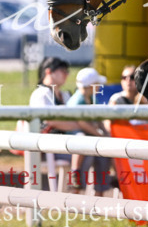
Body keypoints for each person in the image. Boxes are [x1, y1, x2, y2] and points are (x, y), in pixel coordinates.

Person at [28, 57, 107, 193]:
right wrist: (79, 125)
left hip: (66, 142)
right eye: (63, 71)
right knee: (87, 150)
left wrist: (78, 125)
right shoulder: (41, 94)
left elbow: (72, 119)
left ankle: (87, 191)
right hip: (48, 144)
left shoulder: (64, 95)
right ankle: (74, 190)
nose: (66, 74)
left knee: (93, 150)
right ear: (49, 72)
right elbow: (50, 121)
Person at [67, 67, 113, 197]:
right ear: (91, 85)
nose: (99, 86)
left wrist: (105, 134)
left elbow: (98, 119)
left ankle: (100, 191)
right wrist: (101, 135)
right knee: (85, 147)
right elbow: (82, 123)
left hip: (88, 138)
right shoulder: (77, 100)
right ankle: (76, 182)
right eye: (97, 83)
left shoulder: (92, 98)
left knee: (102, 155)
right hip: (75, 138)